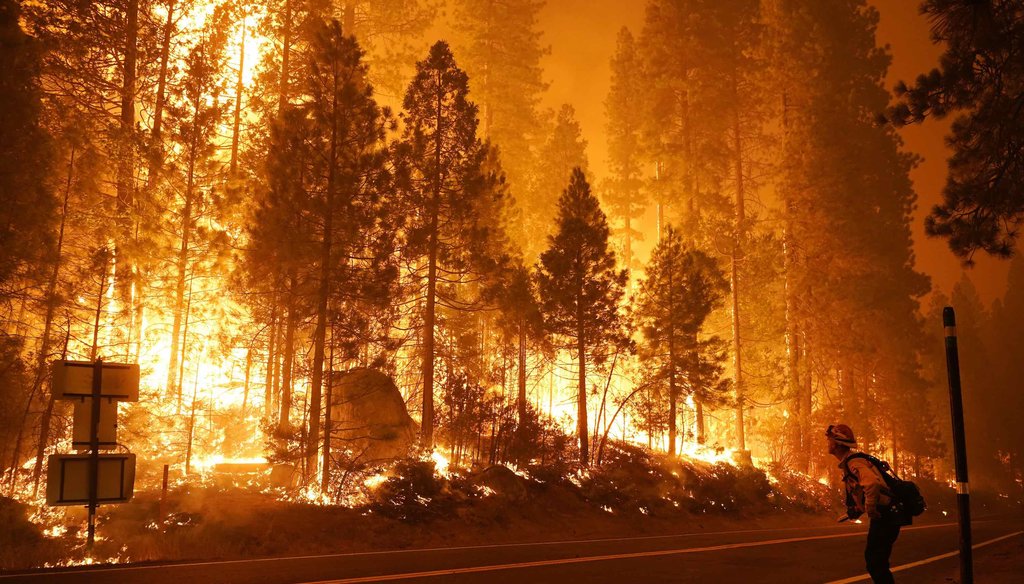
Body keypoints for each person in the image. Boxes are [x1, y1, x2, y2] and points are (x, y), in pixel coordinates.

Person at [826, 423, 906, 584]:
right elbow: (864, 489)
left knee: (875, 562)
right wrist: (856, 510)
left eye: (829, 440)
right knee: (876, 561)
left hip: (886, 516)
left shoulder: (853, 463)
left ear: (837, 443)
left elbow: (871, 484)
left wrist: (870, 509)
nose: (828, 443)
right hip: (888, 515)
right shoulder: (853, 461)